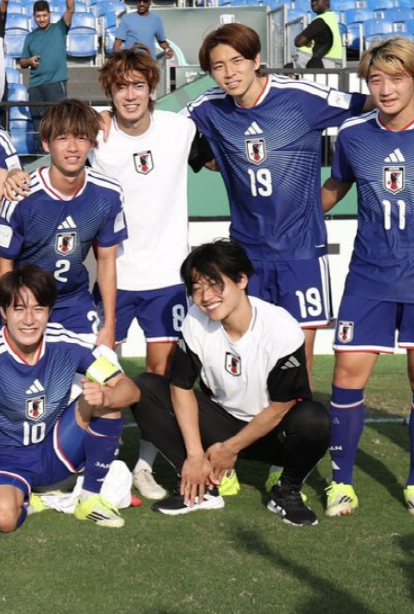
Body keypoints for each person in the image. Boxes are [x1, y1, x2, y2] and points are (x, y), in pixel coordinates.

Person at [182, 23, 368, 375]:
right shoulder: (208, 109)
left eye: (237, 61)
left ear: (256, 60)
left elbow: (369, 104)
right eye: (218, 66)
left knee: (298, 361)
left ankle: (298, 430)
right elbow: (161, 131)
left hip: (301, 252)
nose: (229, 73)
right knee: (250, 355)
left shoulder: (299, 97)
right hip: (246, 256)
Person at [131, 240, 330, 526]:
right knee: (148, 387)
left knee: (315, 419)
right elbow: (181, 387)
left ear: (241, 279)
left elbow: (280, 407)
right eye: (196, 288)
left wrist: (230, 449)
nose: (205, 296)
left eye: (214, 284)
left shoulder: (281, 329)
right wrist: (196, 455)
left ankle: (287, 491)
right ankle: (200, 489)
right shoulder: (195, 320)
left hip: (270, 432)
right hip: (221, 423)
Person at [90, 50, 198, 501]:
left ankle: (145, 466)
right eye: (120, 87)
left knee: (157, 376)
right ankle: (97, 465)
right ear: (110, 93)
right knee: (99, 371)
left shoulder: (180, 127)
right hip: (114, 276)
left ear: (153, 89)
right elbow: (54, 141)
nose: (129, 95)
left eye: (138, 85)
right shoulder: (96, 133)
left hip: (168, 278)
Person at [0, 265, 140, 536]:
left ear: (49, 311)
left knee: (105, 401)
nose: (29, 320)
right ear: (4, 312)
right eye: (19, 309)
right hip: (7, 459)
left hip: (57, 449)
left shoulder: (69, 344)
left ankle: (88, 497)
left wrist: (108, 395)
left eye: (38, 309)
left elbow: (129, 389)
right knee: (2, 518)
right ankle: (39, 501)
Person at [320, 37, 414, 517]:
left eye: (396, 77)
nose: (385, 88)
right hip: (369, 277)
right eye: (376, 79)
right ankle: (342, 483)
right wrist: (292, 219)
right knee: (345, 377)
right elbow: (336, 186)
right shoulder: (355, 134)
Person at [0, 99, 126, 349]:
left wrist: (109, 324)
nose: (73, 148)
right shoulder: (22, 194)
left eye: (81, 138)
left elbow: (107, 260)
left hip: (74, 302)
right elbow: (3, 262)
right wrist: (12, 311)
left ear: (92, 142)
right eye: (63, 138)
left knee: (99, 374)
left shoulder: (108, 193)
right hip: (26, 302)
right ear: (46, 143)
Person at [21, 0, 75, 136]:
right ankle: (41, 155)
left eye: (44, 15)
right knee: (39, 128)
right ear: (34, 16)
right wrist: (29, 61)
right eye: (38, 16)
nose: (41, 19)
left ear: (49, 14)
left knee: (60, 125)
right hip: (35, 86)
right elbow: (22, 62)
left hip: (56, 84)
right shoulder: (30, 37)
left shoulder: (59, 28)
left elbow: (70, 9)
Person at [294, 0, 343, 69]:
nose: (313, 3)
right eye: (312, 1)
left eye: (317, 1)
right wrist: (308, 39)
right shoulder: (331, 17)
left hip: (323, 64)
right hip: (332, 63)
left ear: (327, 2)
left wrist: (301, 38)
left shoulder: (320, 20)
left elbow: (298, 42)